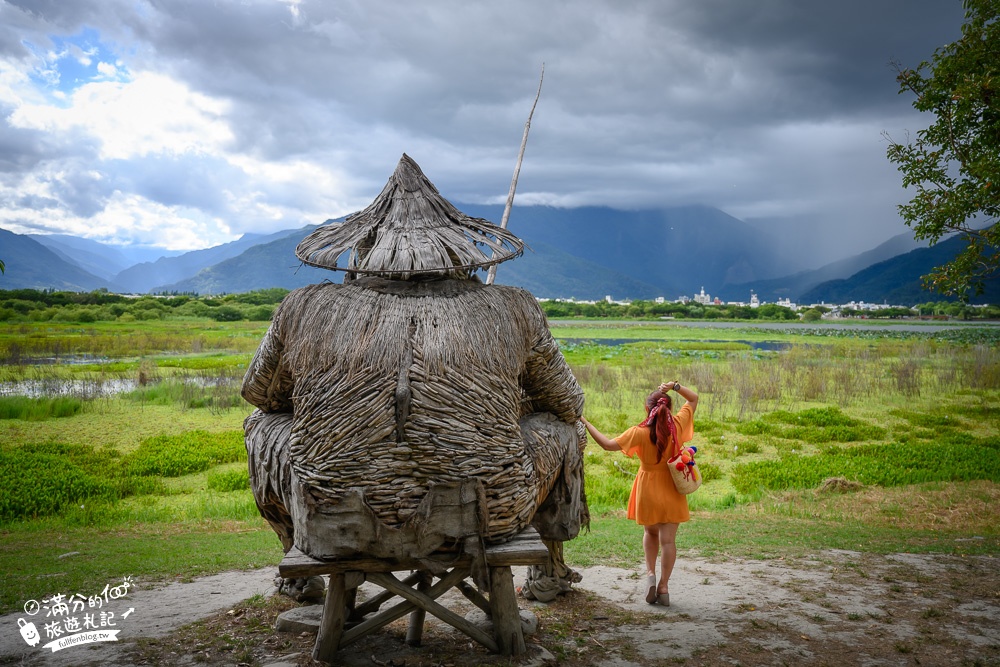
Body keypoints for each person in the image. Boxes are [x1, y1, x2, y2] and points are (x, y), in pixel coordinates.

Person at [241, 154, 588, 601]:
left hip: (333, 512)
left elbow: (260, 394)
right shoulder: (514, 306)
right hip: (487, 512)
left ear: (364, 250)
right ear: (457, 251)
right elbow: (568, 404)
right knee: (567, 430)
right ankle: (551, 574)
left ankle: (297, 575)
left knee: (260, 425)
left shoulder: (305, 307)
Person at [581, 381, 698, 607]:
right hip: (672, 488)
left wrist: (585, 421)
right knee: (668, 541)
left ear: (648, 409)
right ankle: (664, 587)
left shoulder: (639, 432)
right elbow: (693, 399)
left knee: (650, 533)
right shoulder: (678, 423)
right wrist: (675, 385)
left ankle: (650, 575)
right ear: (670, 408)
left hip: (647, 488)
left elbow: (607, 444)